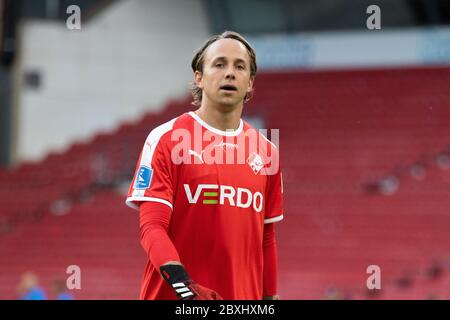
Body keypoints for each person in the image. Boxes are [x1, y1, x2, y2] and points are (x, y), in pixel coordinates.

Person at [126, 31, 284, 300]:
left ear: (250, 83)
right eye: (219, 64)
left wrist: (270, 298)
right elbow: (151, 228)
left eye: (239, 66)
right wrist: (184, 287)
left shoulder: (267, 152)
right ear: (199, 77)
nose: (230, 73)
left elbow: (266, 239)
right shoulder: (167, 139)